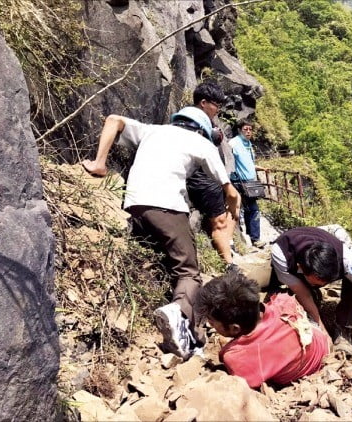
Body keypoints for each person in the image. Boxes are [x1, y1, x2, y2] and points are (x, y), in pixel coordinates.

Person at [81, 103, 241, 360]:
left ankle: (188, 325)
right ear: (201, 130)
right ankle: (178, 317)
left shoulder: (151, 131)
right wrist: (233, 207)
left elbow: (113, 119)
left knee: (166, 257)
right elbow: (230, 190)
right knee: (188, 271)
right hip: (167, 208)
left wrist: (100, 163)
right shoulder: (200, 142)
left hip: (133, 206)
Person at [270, 227, 352, 366]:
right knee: (288, 298)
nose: (325, 284)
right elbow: (303, 294)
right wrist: (322, 331)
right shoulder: (282, 254)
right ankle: (312, 306)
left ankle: (344, 330)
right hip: (293, 274)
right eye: (319, 282)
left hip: (318, 266)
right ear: (301, 268)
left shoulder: (346, 259)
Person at [196, 271, 330, 388]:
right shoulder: (283, 301)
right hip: (322, 345)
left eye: (212, 322)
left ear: (235, 328)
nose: (210, 324)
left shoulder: (236, 356)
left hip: (314, 367)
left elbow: (246, 383)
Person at [186, 83, 239, 269]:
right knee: (219, 221)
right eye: (216, 105)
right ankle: (229, 263)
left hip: (210, 176)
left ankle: (229, 244)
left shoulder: (197, 121)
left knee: (233, 205)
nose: (218, 109)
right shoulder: (193, 123)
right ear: (203, 102)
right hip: (201, 178)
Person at [229, 119, 265, 248]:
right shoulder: (233, 143)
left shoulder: (248, 144)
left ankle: (252, 239)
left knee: (250, 210)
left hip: (250, 183)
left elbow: (248, 163)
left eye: (250, 129)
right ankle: (243, 240)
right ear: (239, 130)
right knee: (246, 210)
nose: (249, 131)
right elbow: (229, 162)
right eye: (246, 129)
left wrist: (261, 168)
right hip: (239, 182)